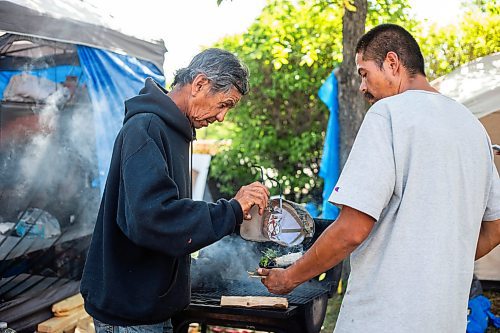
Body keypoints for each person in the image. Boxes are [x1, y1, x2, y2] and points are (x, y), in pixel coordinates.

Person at [258, 24, 500, 332]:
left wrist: (289, 277)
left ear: (392, 63)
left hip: (383, 319)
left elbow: (352, 230)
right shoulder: (473, 128)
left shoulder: (387, 114)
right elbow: (495, 229)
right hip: (447, 320)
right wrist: (442, 259)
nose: (362, 87)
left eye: (363, 73)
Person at [80, 48, 270, 331]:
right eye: (224, 104)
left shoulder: (175, 130)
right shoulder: (145, 127)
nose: (222, 118)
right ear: (200, 84)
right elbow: (154, 218)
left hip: (150, 306)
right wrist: (231, 210)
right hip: (131, 313)